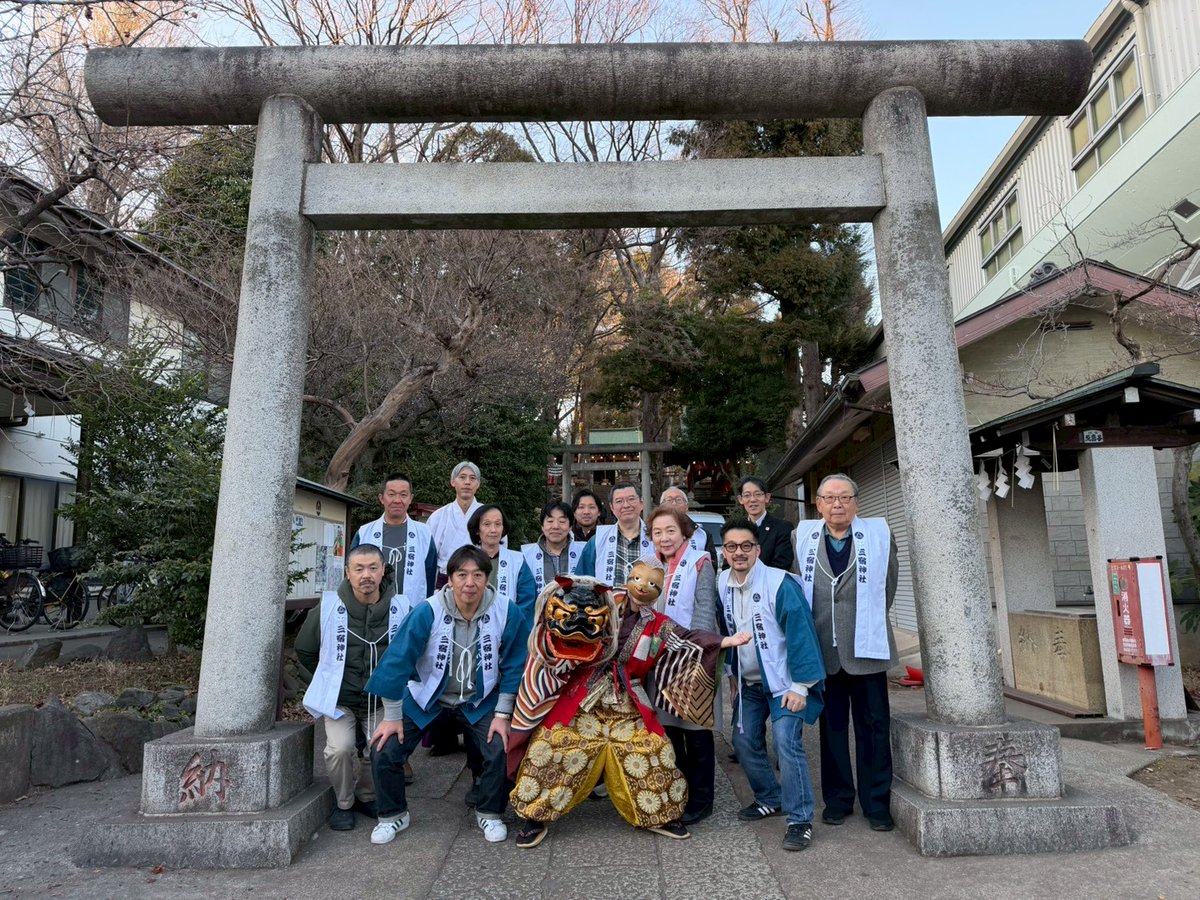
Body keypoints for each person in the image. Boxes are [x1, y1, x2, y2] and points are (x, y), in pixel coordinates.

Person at [507, 562, 750, 849]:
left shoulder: (659, 624)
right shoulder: (606, 601)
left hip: (627, 700)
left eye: (652, 584)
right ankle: (536, 816)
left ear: (660, 591)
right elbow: (569, 602)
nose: (642, 587)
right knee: (552, 745)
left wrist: (724, 641)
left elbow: (688, 639)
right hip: (584, 697)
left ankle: (659, 814)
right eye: (636, 578)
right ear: (627, 578)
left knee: (653, 748)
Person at [364, 546, 529, 845]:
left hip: (479, 700)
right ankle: (393, 815)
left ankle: (490, 812)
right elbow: (397, 660)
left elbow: (517, 662)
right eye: (461, 574)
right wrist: (390, 717)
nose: (470, 583)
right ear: (449, 579)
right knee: (384, 748)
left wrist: (503, 714)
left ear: (487, 578)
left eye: (477, 575)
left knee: (501, 747)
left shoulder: (506, 609)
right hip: (427, 696)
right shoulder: (428, 610)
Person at [794, 474, 899, 832]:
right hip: (824, 648)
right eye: (829, 498)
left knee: (874, 726)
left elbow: (887, 587)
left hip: (866, 647)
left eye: (844, 498)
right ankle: (838, 800)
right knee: (832, 728)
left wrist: (865, 624)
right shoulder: (802, 537)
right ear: (818, 503)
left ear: (856, 502)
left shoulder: (879, 535)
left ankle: (876, 802)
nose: (837, 504)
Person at [718, 519, 826, 852]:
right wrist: (733, 676)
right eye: (732, 547)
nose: (739, 553)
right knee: (743, 739)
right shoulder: (723, 581)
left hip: (785, 683)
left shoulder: (780, 583)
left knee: (786, 743)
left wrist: (801, 687)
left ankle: (800, 820)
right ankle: (770, 797)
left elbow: (802, 635)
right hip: (750, 682)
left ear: (758, 550)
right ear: (724, 552)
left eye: (746, 546)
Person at [297, 544, 409, 832]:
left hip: (380, 701)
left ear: (384, 570)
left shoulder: (401, 608)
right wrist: (327, 683)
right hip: (341, 701)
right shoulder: (329, 608)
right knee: (339, 749)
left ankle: (367, 795)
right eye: (358, 569)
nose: (366, 575)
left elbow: (412, 654)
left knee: (381, 747)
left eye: (373, 567)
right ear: (347, 573)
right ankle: (343, 802)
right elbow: (305, 651)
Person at [646, 505, 719, 825]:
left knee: (697, 732)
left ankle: (703, 799)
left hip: (691, 661)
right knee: (670, 733)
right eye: (657, 532)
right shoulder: (650, 566)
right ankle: (680, 793)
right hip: (658, 662)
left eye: (670, 531)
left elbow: (704, 612)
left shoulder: (700, 562)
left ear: (685, 531)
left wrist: (694, 657)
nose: (664, 538)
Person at [349, 472, 437, 612]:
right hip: (372, 611)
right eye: (391, 494)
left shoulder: (424, 534)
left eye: (403, 495)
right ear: (381, 498)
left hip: (412, 611)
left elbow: (430, 576)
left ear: (410, 498)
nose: (397, 500)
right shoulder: (365, 533)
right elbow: (352, 573)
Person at [427, 461, 505, 587]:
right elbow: (428, 558)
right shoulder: (438, 517)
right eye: (462, 477)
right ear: (453, 482)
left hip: (480, 581)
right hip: (445, 581)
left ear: (478, 484)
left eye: (472, 478)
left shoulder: (491, 515)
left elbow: (500, 552)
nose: (467, 482)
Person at [468, 503, 537, 622]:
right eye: (487, 524)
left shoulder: (517, 560)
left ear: (503, 528)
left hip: (510, 628)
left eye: (498, 524)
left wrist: (511, 626)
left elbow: (527, 600)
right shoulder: (466, 560)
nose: (493, 530)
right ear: (477, 530)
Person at [576, 481, 650, 585]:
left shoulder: (655, 538)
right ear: (612, 507)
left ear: (642, 503)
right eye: (619, 501)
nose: (626, 505)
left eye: (631, 499)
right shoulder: (597, 541)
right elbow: (582, 582)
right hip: (607, 601)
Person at [521, 501, 586, 594]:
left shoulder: (584, 551)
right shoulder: (525, 554)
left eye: (562, 521)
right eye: (550, 521)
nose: (555, 526)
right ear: (542, 526)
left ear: (570, 526)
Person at [735, 476, 794, 571]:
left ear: (767, 497)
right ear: (740, 499)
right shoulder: (736, 529)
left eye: (758, 494)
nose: (753, 499)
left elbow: (781, 565)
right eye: (747, 495)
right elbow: (728, 563)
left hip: (770, 584)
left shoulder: (783, 528)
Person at [660, 485, 709, 555]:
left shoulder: (701, 534)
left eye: (678, 500)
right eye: (669, 500)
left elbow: (710, 563)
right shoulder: (651, 533)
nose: (674, 503)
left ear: (686, 507)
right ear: (661, 508)